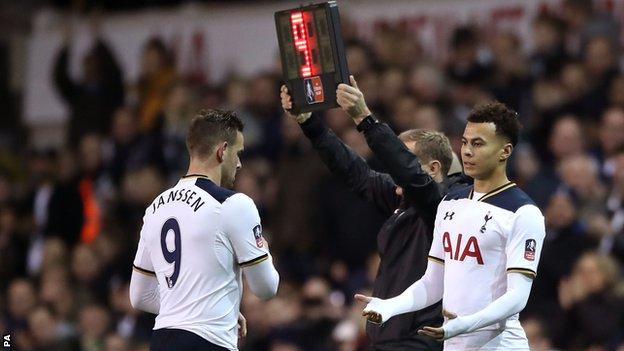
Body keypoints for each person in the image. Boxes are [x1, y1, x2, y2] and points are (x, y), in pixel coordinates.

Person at [281, 76, 470, 350]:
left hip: (418, 341)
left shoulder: (442, 207)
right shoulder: (400, 198)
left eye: (404, 160)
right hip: (388, 338)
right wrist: (309, 123)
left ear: (433, 169)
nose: (395, 172)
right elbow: (355, 171)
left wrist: (365, 119)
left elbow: (410, 176)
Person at [356, 102, 546, 350]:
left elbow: (517, 297)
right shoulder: (450, 203)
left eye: (478, 144)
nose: (467, 151)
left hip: (500, 344)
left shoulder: (522, 212)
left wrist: (465, 324)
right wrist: (391, 305)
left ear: (505, 151)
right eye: (465, 142)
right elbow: (432, 282)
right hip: (453, 340)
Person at [128, 109, 280, 350]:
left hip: (161, 341)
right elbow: (266, 288)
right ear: (222, 151)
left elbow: (139, 296)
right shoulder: (233, 204)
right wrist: (266, 252)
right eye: (238, 153)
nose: (239, 164)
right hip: (207, 343)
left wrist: (211, 309)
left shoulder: (155, 207)